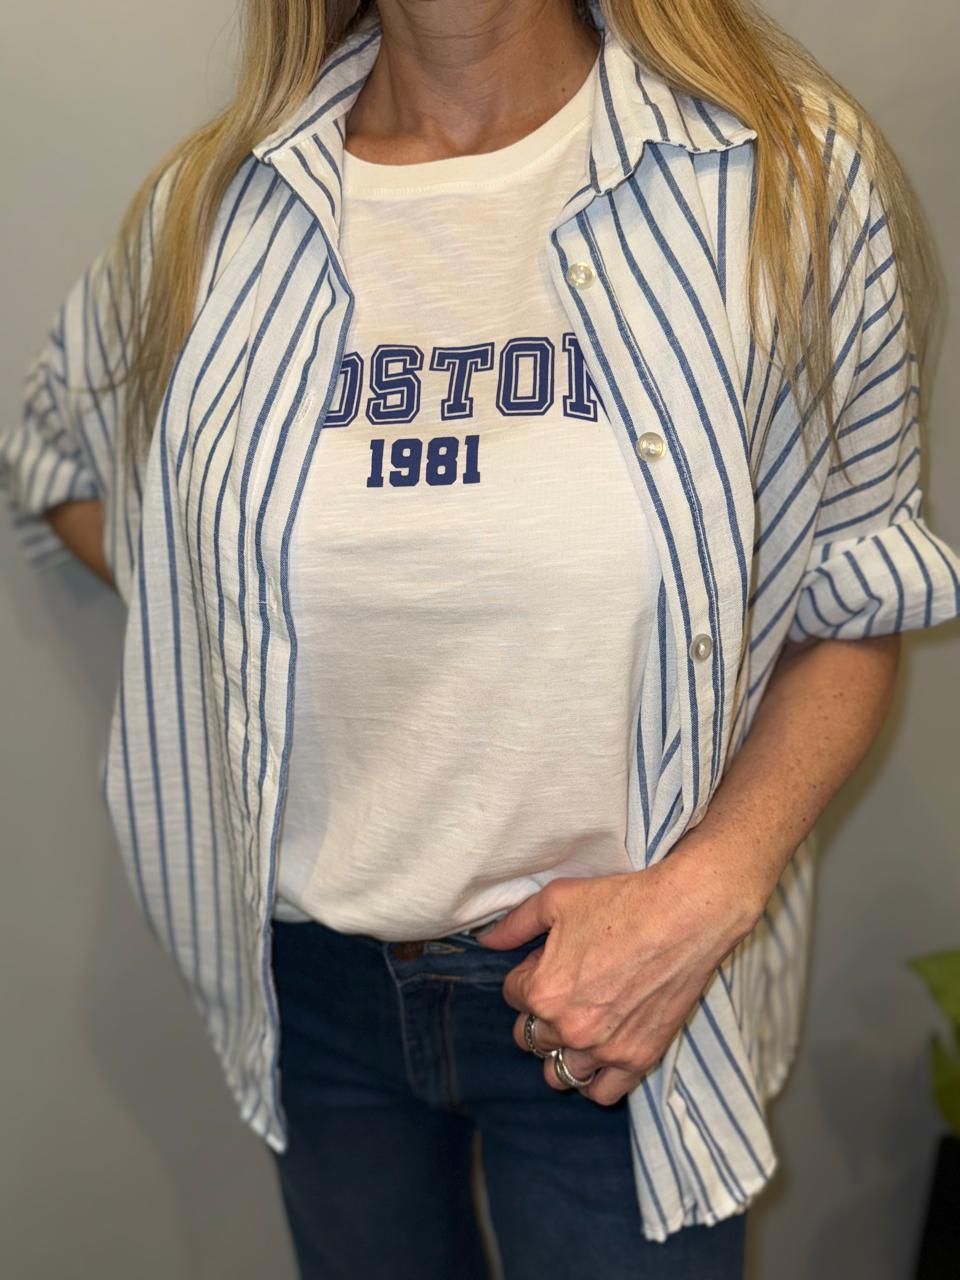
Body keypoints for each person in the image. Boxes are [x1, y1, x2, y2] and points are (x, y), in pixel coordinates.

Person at [2, 0, 958, 1275]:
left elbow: (857, 593)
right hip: (317, 993)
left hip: (620, 1004)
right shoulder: (219, 206)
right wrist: (219, 603)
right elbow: (55, 446)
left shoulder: (782, 176)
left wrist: (704, 895)